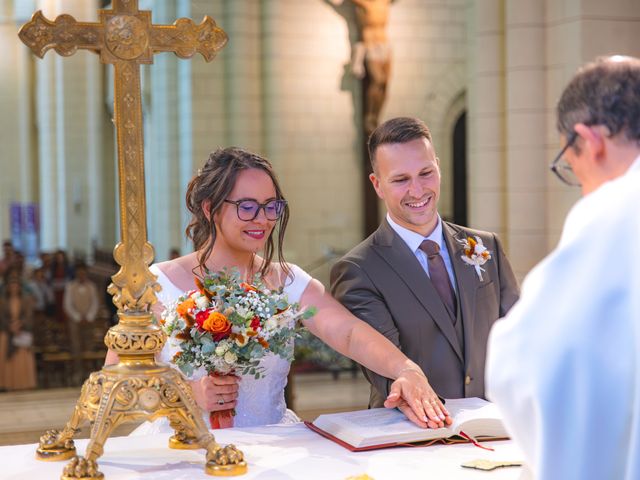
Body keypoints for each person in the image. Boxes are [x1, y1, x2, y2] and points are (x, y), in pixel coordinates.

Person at [106, 147, 452, 431]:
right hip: (182, 453)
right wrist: (186, 392)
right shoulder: (156, 285)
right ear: (210, 209)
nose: (263, 219)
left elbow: (346, 332)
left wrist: (406, 368)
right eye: (247, 207)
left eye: (271, 206)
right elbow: (116, 384)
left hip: (271, 447)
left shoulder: (288, 285)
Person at [486, 55, 640, 479]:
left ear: (590, 142)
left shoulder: (615, 209)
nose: (584, 188)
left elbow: (532, 360)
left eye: (573, 169)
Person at [331, 117, 519, 413]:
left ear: (439, 168)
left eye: (426, 173)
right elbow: (384, 366)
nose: (417, 190)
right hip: (412, 436)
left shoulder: (487, 247)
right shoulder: (358, 270)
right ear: (377, 184)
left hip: (493, 427)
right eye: (401, 179)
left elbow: (518, 334)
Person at [329, 0, 393, 134]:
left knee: (385, 85)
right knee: (378, 80)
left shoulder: (385, 2)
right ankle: (369, 115)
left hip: (385, 44)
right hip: (371, 44)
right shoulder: (366, 3)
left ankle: (377, 115)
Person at [0, 274, 37, 390]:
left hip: (22, 333)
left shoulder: (26, 300)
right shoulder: (2, 301)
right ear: (8, 287)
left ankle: (23, 384)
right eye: (12, 286)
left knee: (22, 359)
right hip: (7, 333)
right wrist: (10, 326)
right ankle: (7, 384)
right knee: (6, 359)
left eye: (16, 286)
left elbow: (29, 316)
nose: (14, 288)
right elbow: (1, 317)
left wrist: (19, 324)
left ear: (19, 287)